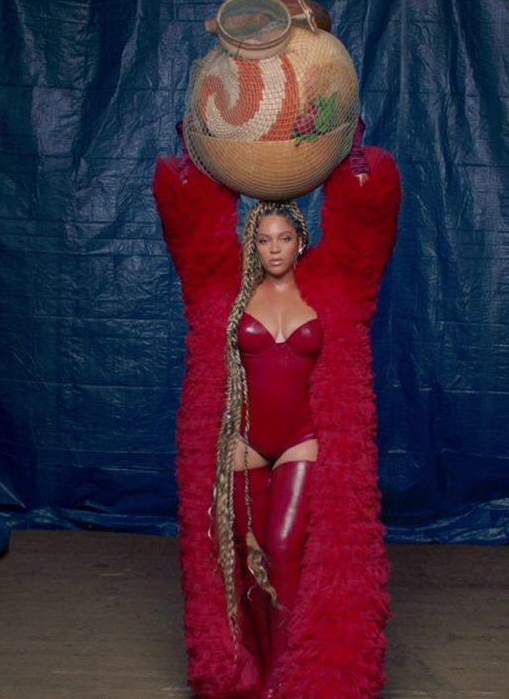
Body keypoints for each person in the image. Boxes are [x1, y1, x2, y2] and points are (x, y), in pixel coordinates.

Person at [154, 121, 400, 698]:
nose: (273, 250)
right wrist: (195, 160)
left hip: (303, 441)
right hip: (241, 444)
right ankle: (260, 679)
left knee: (287, 548)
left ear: (300, 239)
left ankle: (298, 677)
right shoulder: (222, 289)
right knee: (245, 558)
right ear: (252, 243)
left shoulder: (335, 287)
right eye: (263, 240)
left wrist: (353, 158)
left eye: (283, 239)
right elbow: (188, 230)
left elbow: (368, 228)